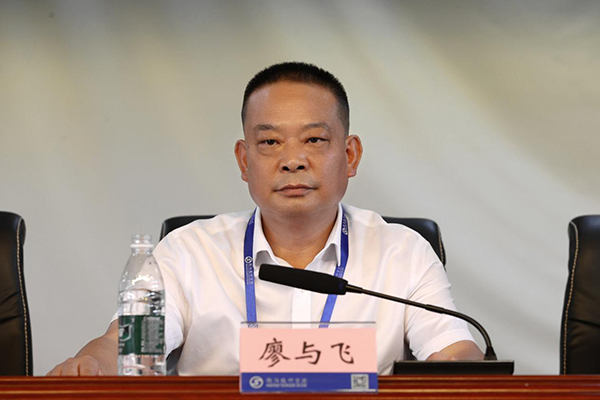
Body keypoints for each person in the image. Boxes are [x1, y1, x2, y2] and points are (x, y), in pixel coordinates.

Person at [48, 62, 483, 376]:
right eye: (270, 142)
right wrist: (91, 363)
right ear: (244, 160)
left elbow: (452, 350)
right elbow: (124, 345)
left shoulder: (402, 251)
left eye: (314, 139)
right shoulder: (188, 252)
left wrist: (464, 367)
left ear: (350, 155)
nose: (293, 160)